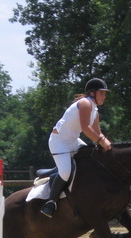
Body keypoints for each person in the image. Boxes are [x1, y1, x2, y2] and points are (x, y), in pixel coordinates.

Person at [40, 78, 113, 218]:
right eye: (102, 93)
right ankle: (50, 202)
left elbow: (98, 133)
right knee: (66, 172)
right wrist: (101, 141)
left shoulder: (95, 110)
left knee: (92, 160)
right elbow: (86, 128)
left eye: (105, 94)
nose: (104, 96)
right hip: (59, 141)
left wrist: (107, 144)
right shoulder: (85, 103)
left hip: (73, 141)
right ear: (92, 93)